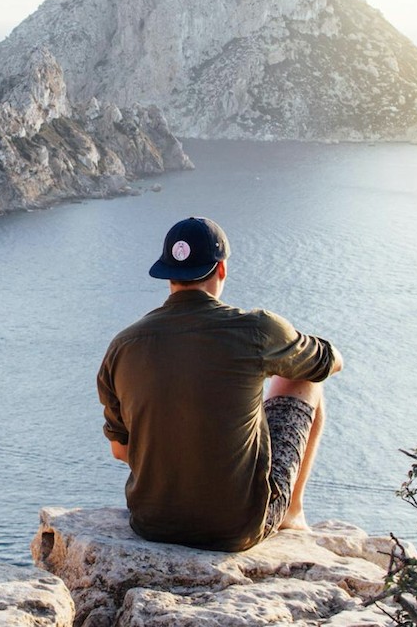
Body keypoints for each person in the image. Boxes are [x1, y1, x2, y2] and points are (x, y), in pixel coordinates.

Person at [97, 216, 343, 552]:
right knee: (306, 379)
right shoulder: (256, 330)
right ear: (221, 269)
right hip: (236, 528)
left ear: (168, 274)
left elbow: (120, 450)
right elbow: (329, 363)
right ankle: (291, 513)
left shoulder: (123, 345)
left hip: (152, 523)